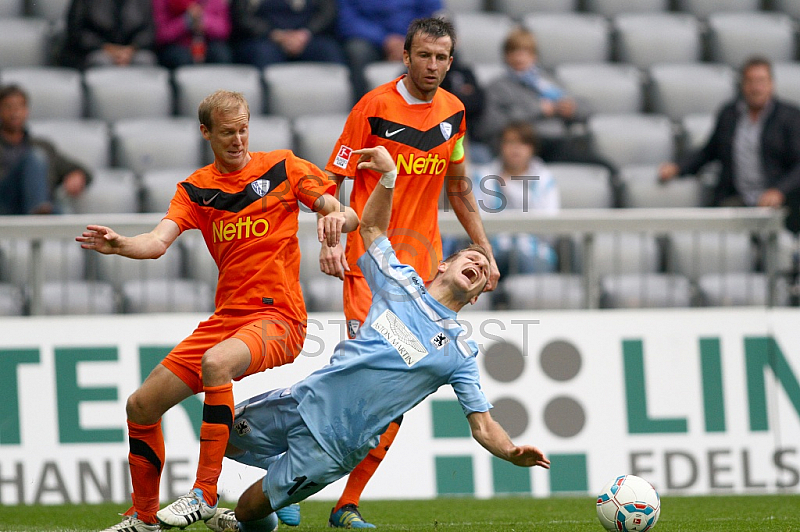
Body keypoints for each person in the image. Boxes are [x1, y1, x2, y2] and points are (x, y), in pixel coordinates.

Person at [202, 145, 551, 532]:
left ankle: (254, 514)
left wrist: (511, 452)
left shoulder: (459, 353)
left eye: (484, 270)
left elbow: (482, 425)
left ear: (478, 293)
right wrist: (388, 178)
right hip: (304, 402)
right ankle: (259, 472)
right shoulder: (400, 282)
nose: (478, 265)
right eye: (472, 258)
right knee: (223, 437)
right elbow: (371, 229)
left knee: (251, 511)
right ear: (445, 264)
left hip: (336, 448)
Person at [78, 90, 359, 532]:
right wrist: (122, 246)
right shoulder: (195, 189)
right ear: (205, 132)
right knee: (141, 406)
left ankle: (204, 495)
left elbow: (344, 212)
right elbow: (156, 242)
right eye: (228, 132)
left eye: (244, 128)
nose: (238, 139)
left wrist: (335, 219)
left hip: (279, 318)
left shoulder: (282, 167)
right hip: (227, 320)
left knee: (216, 363)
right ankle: (145, 519)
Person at [320, 16, 500, 528]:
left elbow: (459, 187)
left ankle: (346, 503)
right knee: (352, 381)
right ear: (406, 56)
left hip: (424, 278)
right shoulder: (372, 107)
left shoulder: (455, 113)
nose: (434, 67)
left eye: (443, 58)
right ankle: (286, 481)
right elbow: (335, 178)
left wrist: (484, 250)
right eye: (425, 56)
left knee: (393, 394)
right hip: (369, 265)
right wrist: (332, 238)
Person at [658, 56, 800, 233]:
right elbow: (708, 152)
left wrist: (778, 191)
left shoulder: (790, 117)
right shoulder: (730, 115)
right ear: (742, 85)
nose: (756, 87)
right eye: (750, 81)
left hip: (779, 203)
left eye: (761, 81)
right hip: (737, 199)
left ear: (771, 84)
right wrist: (677, 167)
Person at [476, 27, 592, 165]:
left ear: (534, 56)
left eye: (526, 52)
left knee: (594, 159)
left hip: (559, 139)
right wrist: (538, 110)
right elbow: (489, 125)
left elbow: (586, 109)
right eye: (514, 51)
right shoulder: (496, 87)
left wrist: (573, 109)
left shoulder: (548, 81)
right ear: (506, 56)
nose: (520, 57)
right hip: (526, 144)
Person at [458, 121, 560, 278]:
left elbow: (549, 226)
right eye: (510, 142)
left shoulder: (545, 179)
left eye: (523, 143)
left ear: (532, 148)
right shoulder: (483, 176)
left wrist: (509, 188)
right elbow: (478, 221)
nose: (516, 149)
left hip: (535, 252)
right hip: (492, 251)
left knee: (521, 259)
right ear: (501, 146)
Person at [0, 85, 91, 215]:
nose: (15, 112)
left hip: (41, 208)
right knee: (34, 158)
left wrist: (77, 175)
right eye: (8, 107)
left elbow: (79, 169)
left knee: (65, 213)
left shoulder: (43, 147)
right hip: (5, 206)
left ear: (26, 110)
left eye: (19, 107)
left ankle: (39, 212)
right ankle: (39, 213)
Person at [336, 0, 442, 101]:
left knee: (440, 48)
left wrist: (408, 41)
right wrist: (385, 40)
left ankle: (433, 110)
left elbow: (432, 14)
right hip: (371, 41)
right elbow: (347, 20)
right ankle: (363, 112)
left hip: (414, 38)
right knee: (357, 51)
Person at [229, 0, 345, 69]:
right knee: (262, 54)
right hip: (264, 38)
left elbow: (327, 12)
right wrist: (275, 34)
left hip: (307, 36)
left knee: (329, 51)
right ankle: (266, 109)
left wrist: (305, 33)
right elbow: (241, 16)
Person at [60, 0, 158, 69]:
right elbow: (77, 31)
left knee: (145, 60)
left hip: (132, 50)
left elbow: (148, 30)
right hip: (93, 50)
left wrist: (130, 50)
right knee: (100, 61)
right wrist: (109, 49)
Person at [152, 0, 233, 69]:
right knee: (181, 58)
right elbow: (160, 34)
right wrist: (185, 22)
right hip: (177, 46)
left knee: (220, 54)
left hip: (207, 44)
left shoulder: (213, 2)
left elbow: (224, 30)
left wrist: (203, 20)